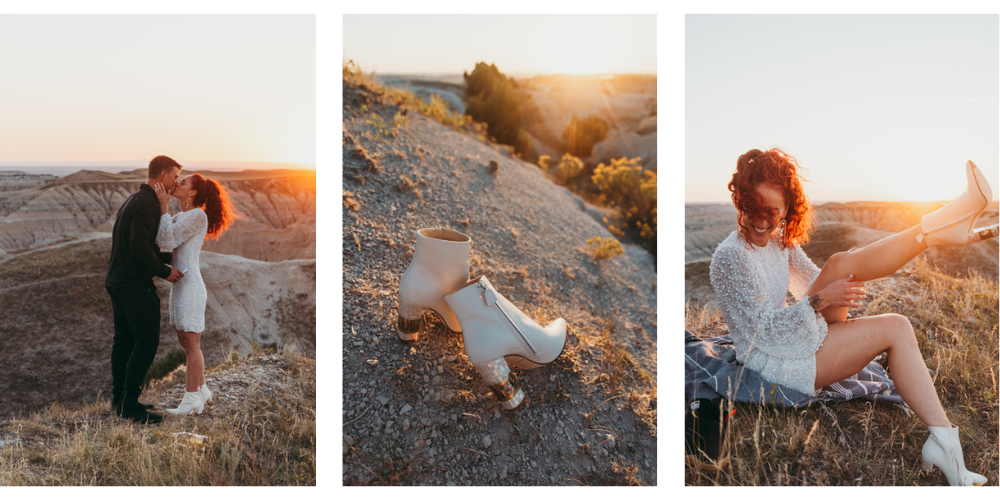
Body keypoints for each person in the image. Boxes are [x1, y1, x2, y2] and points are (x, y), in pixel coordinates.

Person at [709, 148, 992, 486]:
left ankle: (936, 232)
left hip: (792, 338)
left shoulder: (779, 243)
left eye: (772, 211)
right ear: (740, 201)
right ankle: (938, 231)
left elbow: (815, 279)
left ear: (786, 210)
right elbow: (760, 333)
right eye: (751, 207)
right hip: (770, 362)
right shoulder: (730, 257)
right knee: (896, 325)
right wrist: (820, 300)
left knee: (846, 261)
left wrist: (848, 273)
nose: (761, 220)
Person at [106, 155, 185, 424]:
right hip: (133, 284)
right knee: (147, 341)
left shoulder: (135, 199)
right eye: (175, 176)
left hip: (118, 281)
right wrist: (165, 272)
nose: (176, 182)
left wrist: (165, 260)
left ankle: (120, 400)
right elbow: (139, 246)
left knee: (125, 341)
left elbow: (139, 247)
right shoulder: (146, 203)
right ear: (162, 175)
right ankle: (129, 405)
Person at [153, 173, 235, 416]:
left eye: (184, 182)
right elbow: (161, 240)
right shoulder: (181, 216)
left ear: (192, 193)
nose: (178, 183)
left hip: (191, 288)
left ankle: (190, 400)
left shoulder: (198, 215)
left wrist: (163, 207)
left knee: (192, 345)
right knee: (185, 342)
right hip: (181, 286)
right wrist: (166, 211)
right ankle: (203, 391)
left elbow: (167, 240)